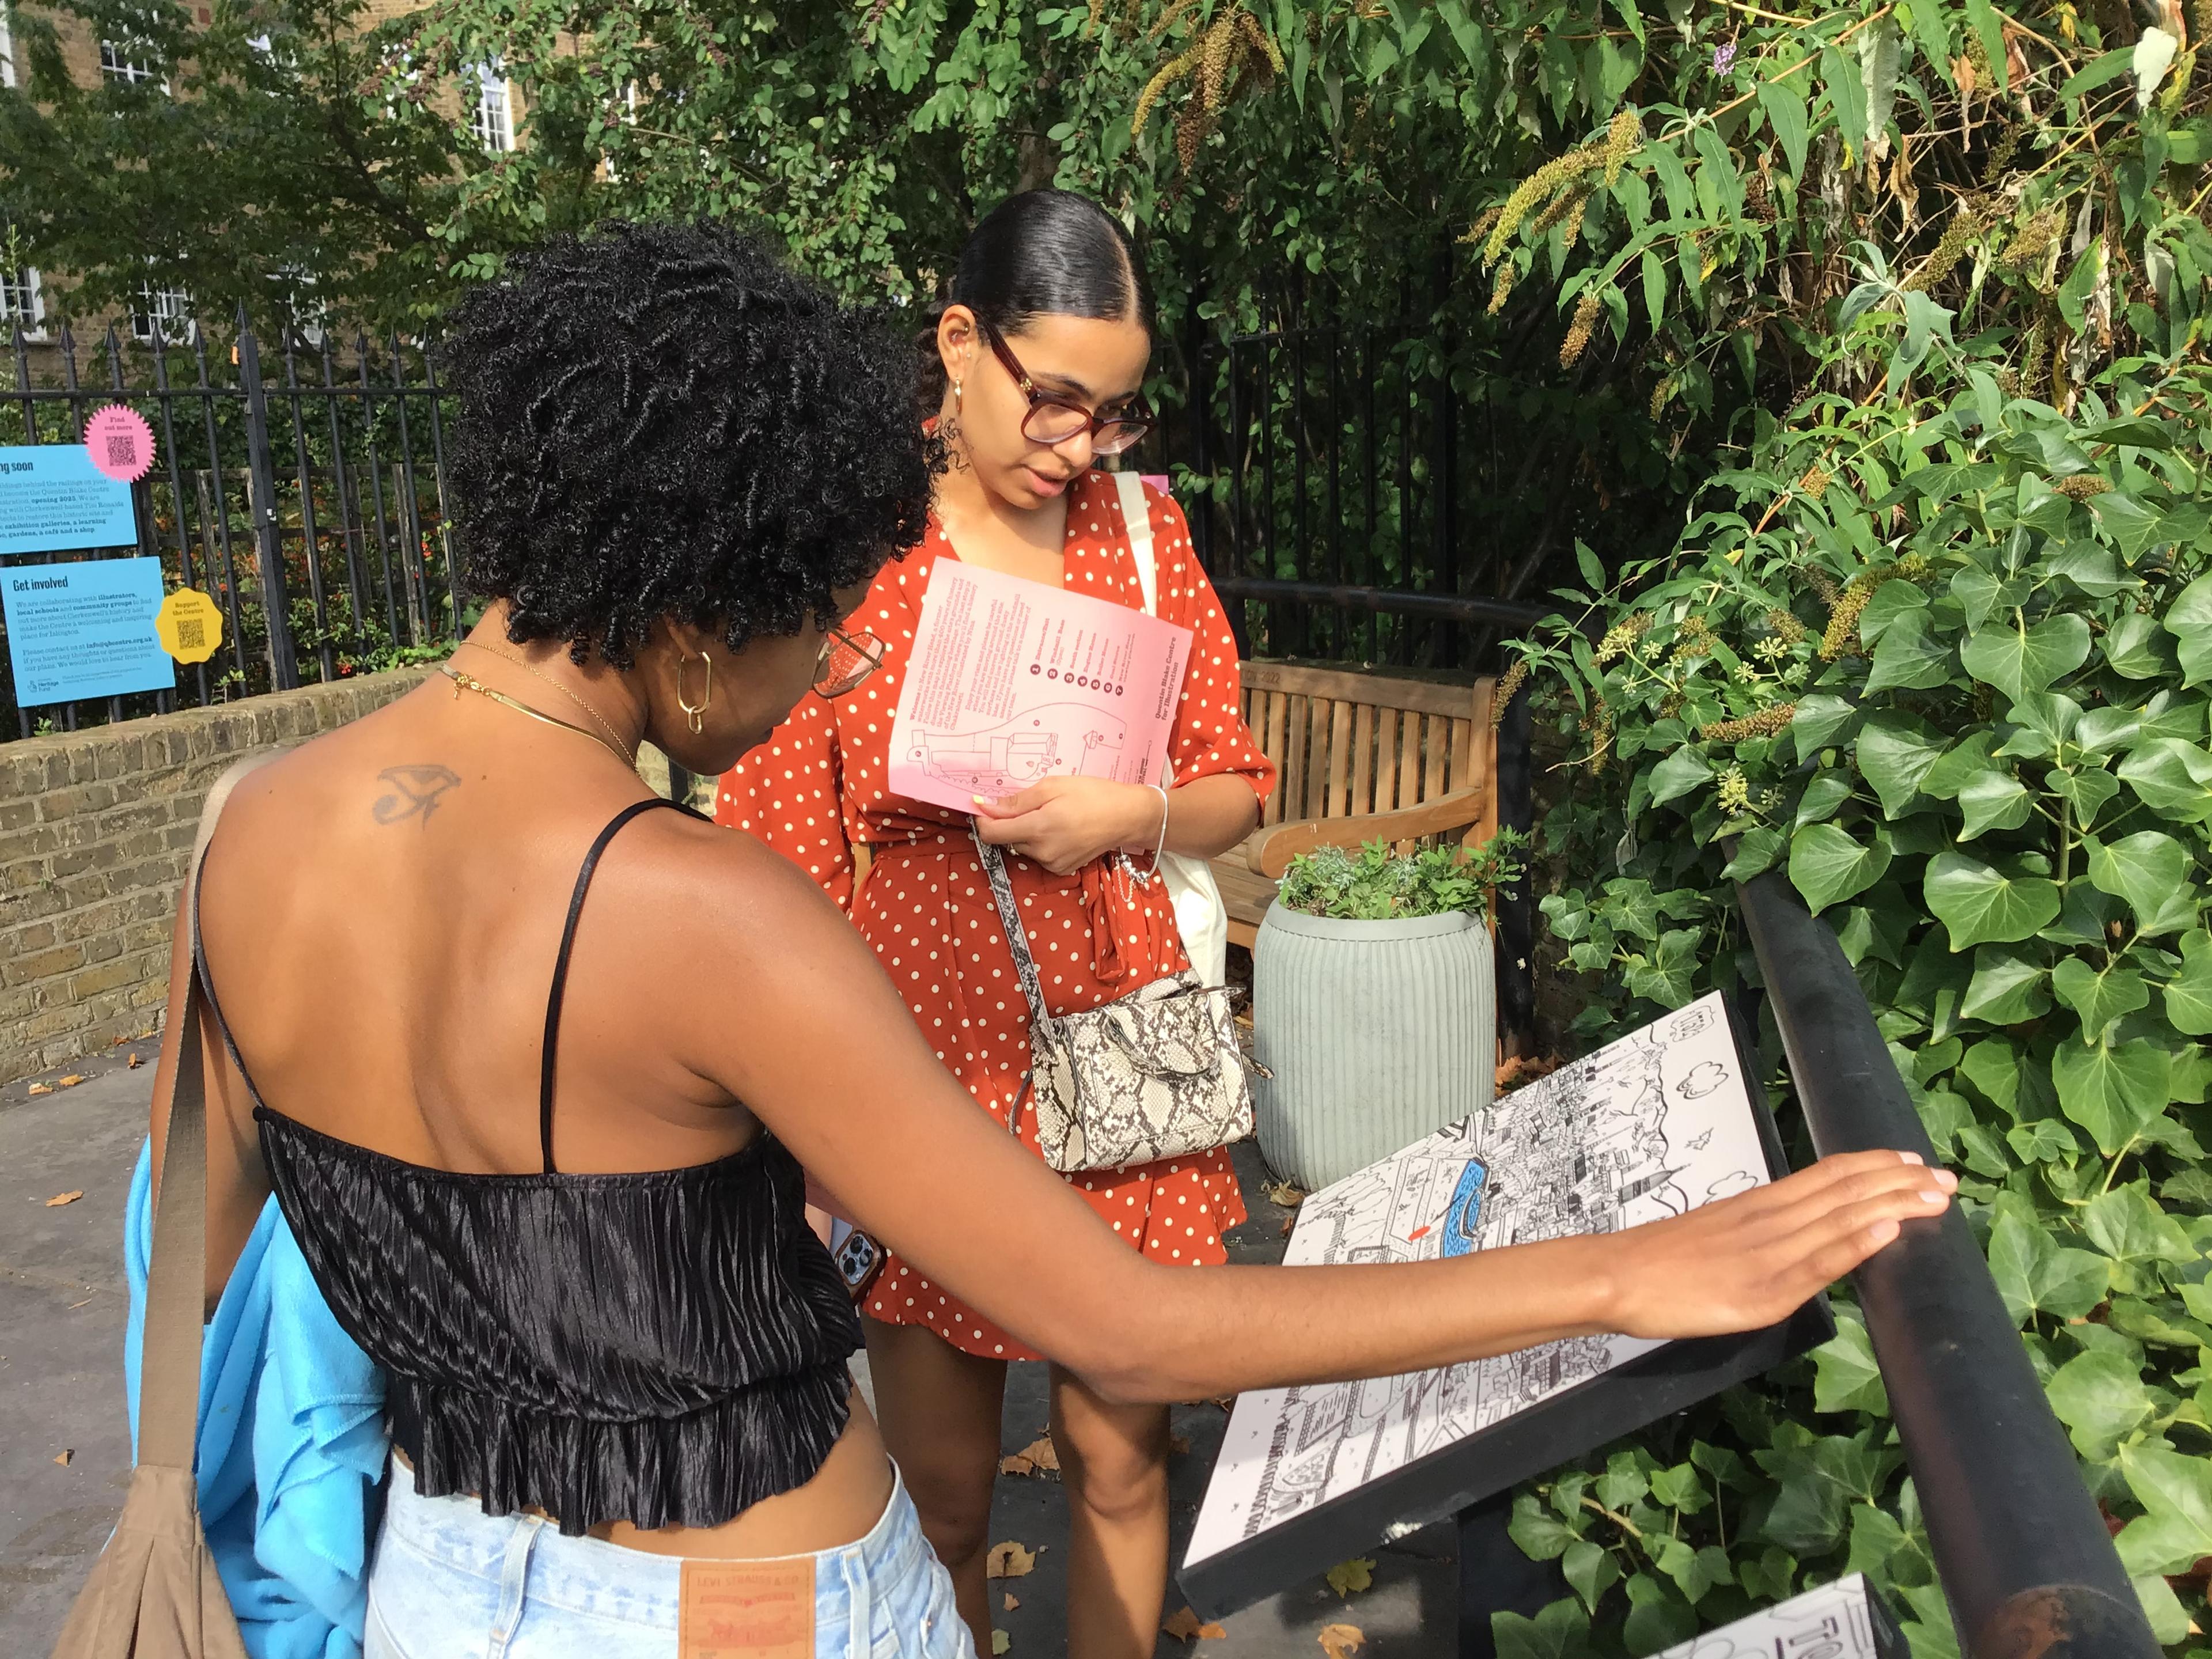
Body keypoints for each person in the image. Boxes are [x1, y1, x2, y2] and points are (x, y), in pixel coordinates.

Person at [150, 219, 1955, 1659]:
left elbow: (205, 1270)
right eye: (813, 643)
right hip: (747, 1606)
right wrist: (1633, 1273)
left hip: (444, 1584)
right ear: (703, 612)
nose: (833, 675)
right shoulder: (700, 914)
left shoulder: (251, 833)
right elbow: (1137, 1332)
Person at [705, 193, 1925, 1658]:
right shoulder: (852, 556)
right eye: (1057, 401)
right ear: (960, 343)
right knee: (950, 1500)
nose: (1082, 445)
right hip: (924, 1062)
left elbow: (1229, 786)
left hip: (1117, 1054)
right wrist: (804, 1129)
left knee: (1116, 1458)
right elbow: (780, 848)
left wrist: (1124, 817)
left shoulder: (1141, 539)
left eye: (1117, 413)